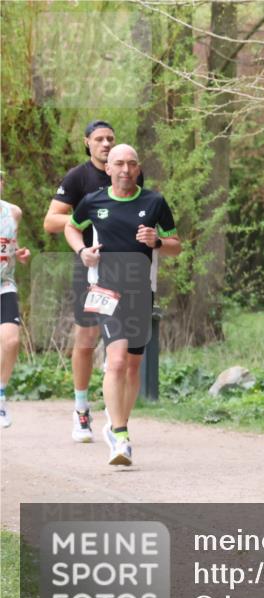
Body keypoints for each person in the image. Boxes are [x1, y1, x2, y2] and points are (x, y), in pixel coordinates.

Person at [64, 145, 180, 465]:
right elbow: (71, 227)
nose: (125, 170)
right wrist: (82, 252)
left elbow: (176, 245)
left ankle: (119, 424)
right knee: (115, 361)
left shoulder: (154, 202)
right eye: (118, 164)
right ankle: (121, 436)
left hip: (140, 292)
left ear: (138, 168)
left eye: (131, 164)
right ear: (109, 169)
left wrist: (157, 241)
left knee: (132, 365)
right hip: (105, 290)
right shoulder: (94, 201)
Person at [43, 120, 145, 443]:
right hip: (89, 266)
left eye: (110, 138)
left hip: (126, 271)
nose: (105, 143)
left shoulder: (130, 172)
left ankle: (116, 417)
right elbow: (51, 221)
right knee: (86, 338)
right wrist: (93, 216)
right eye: (99, 139)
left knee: (124, 351)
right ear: (87, 142)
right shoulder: (78, 177)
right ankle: (81, 408)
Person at [0, 170, 32, 428]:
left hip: (4, 285)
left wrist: (19, 253)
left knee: (11, 342)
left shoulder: (13, 212)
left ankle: (0, 396)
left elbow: (12, 244)